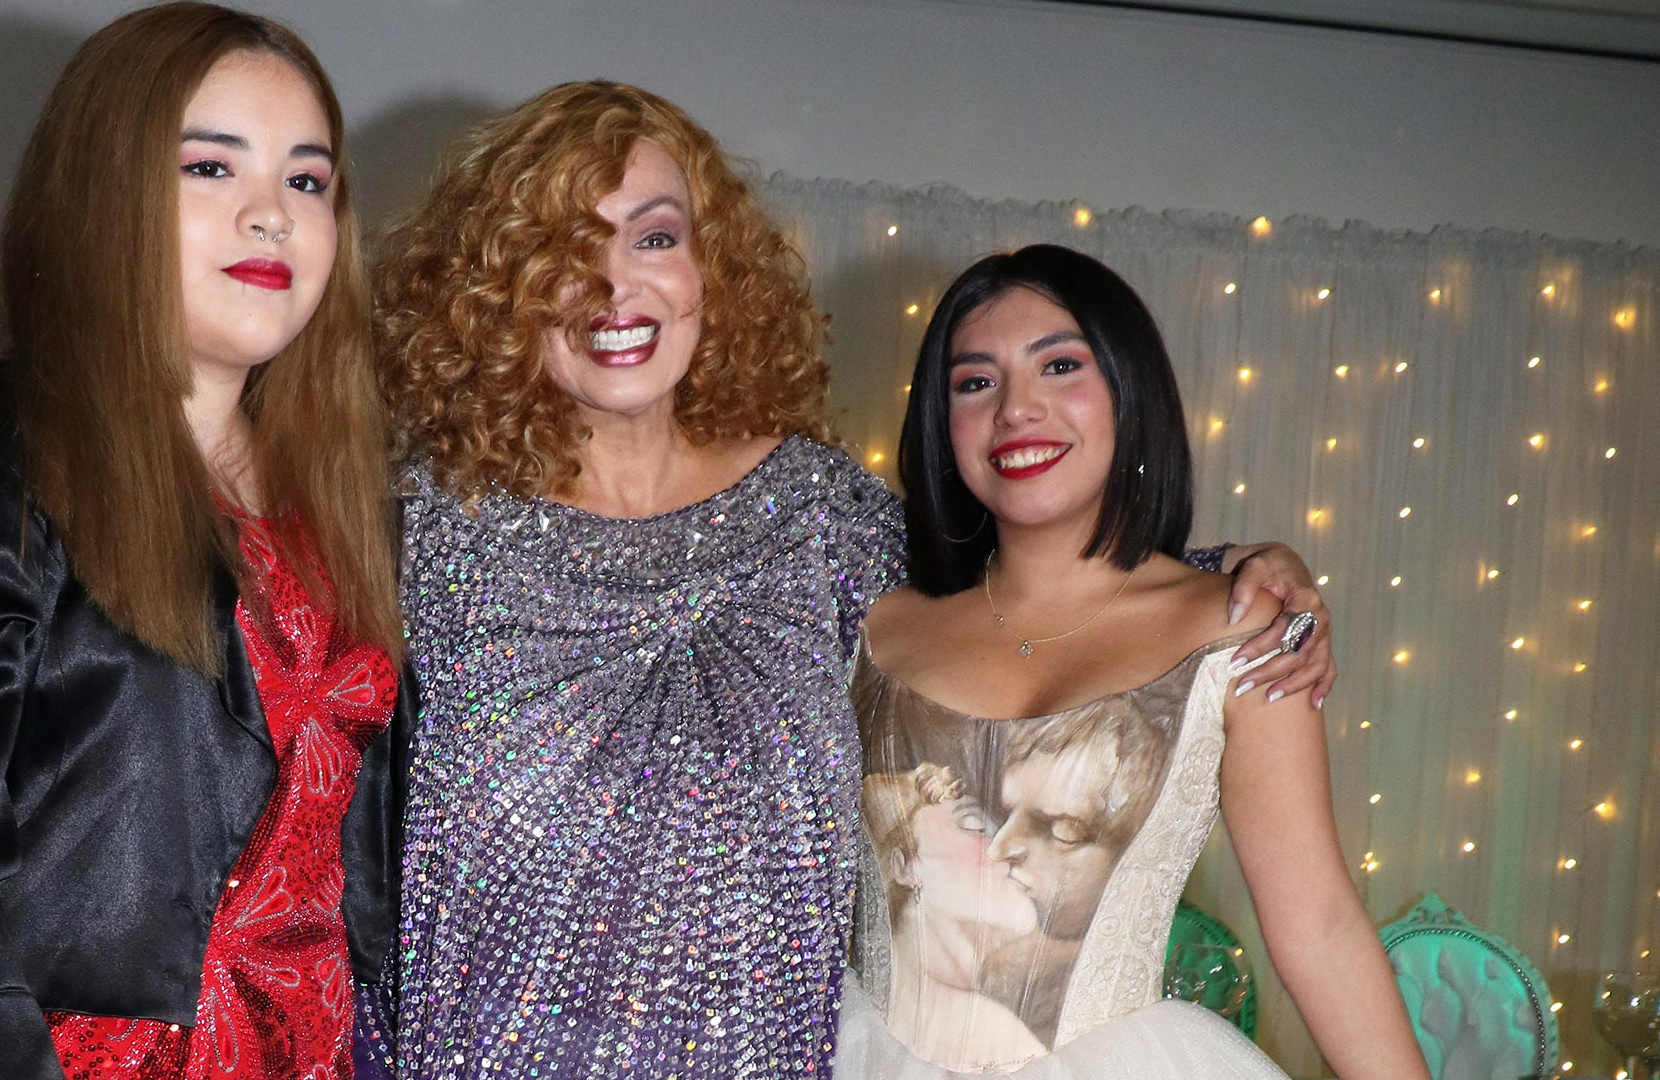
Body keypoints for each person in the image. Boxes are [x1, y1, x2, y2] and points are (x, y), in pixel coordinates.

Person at [355, 83, 1332, 1079]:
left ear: (710, 268)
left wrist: (1241, 577)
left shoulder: (817, 516)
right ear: (499, 287)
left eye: (654, 238)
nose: (615, 286)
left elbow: (1013, 588)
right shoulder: (420, 536)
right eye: (563, 249)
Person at [0, 6, 404, 1079]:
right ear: (102, 190)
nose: (272, 215)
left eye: (307, 181)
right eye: (211, 168)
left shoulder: (351, 499)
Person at [836, 245, 1427, 1079]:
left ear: (1129, 390)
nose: (1015, 409)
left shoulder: (1240, 628)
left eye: (1060, 365)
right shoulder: (869, 626)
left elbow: (1319, 923)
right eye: (975, 382)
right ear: (941, 424)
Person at [860, 763, 1047, 1069]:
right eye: (975, 827)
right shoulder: (994, 1036)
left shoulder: (995, 1033)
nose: (1004, 849)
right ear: (904, 867)